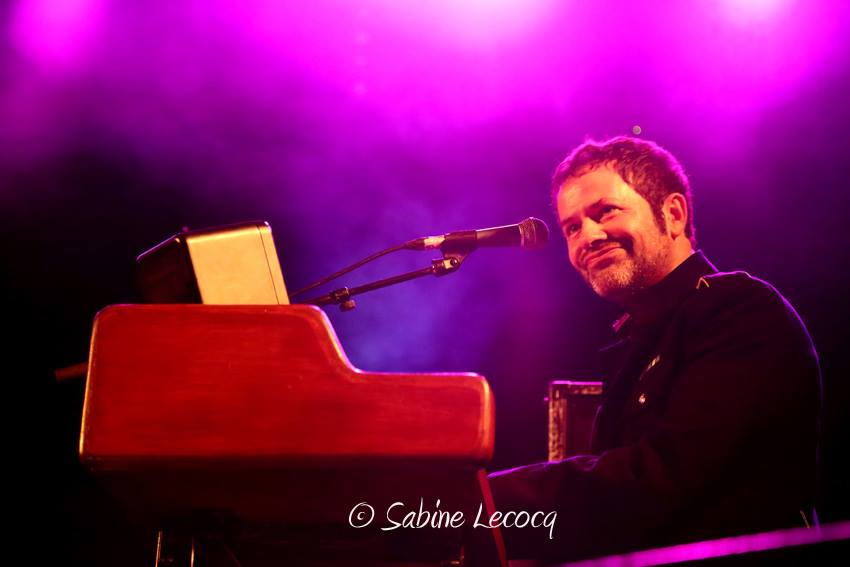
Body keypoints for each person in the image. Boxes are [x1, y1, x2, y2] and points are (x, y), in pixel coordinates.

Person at [487, 136, 822, 561]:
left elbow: (668, 475)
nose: (588, 236)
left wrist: (480, 504)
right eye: (572, 227)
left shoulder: (740, 309)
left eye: (606, 212)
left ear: (674, 214)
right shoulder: (641, 340)